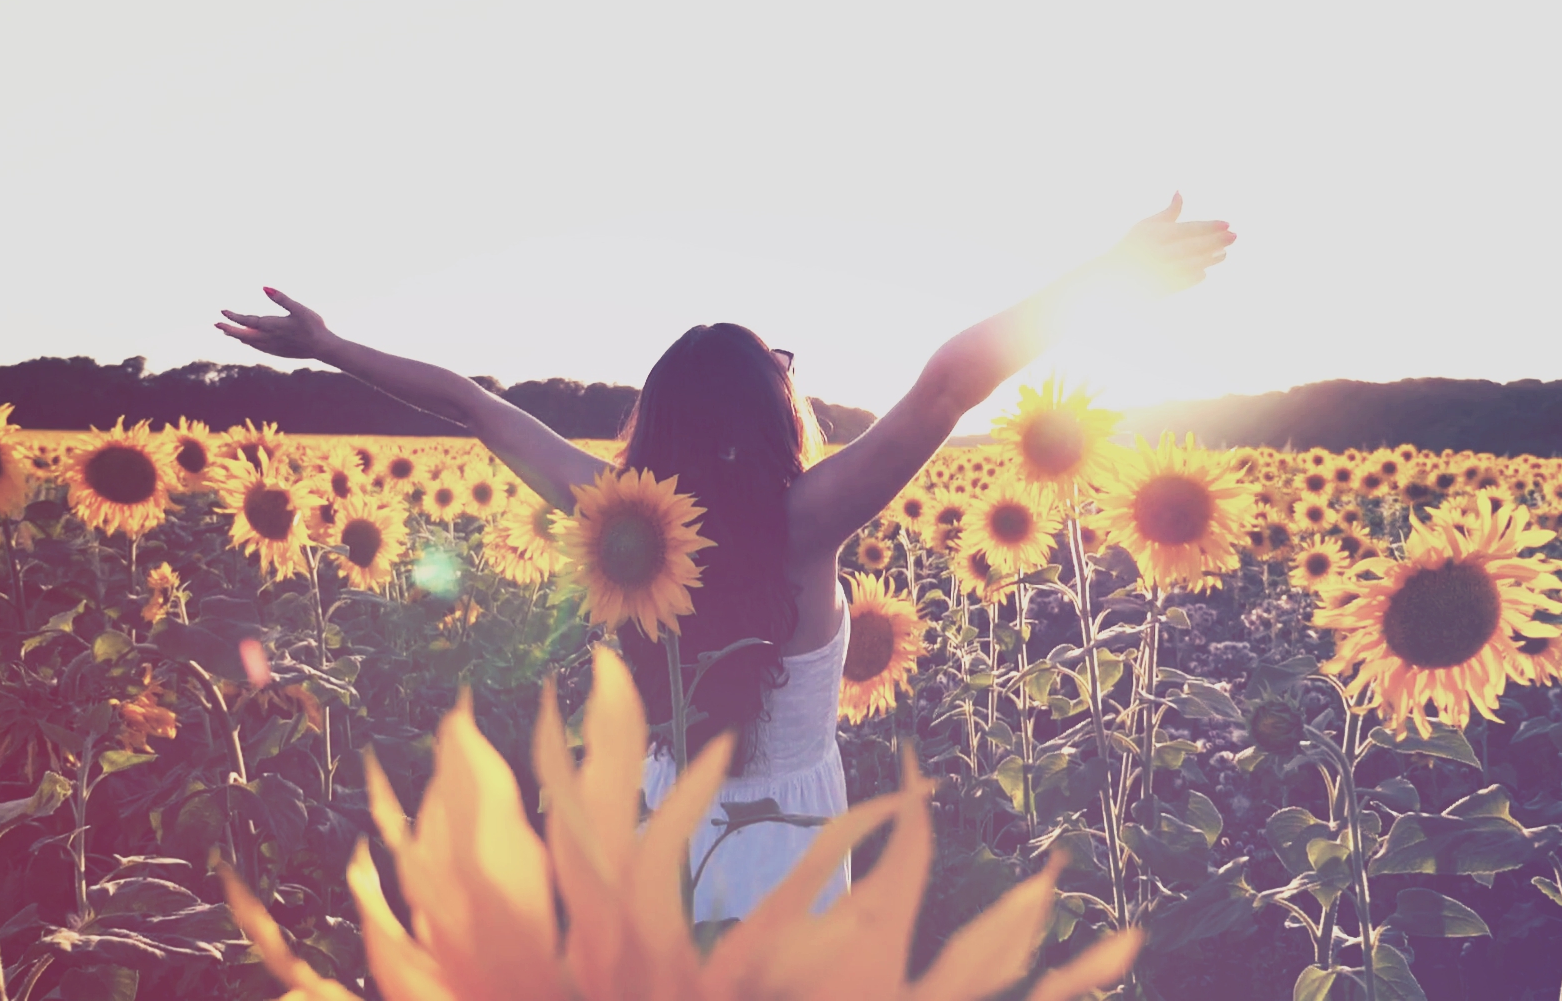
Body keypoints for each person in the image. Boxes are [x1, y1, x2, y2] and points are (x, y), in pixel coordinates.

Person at [216, 194, 1235, 921]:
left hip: (660, 822)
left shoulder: (613, 512)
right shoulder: (805, 522)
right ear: (770, 409)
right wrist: (1103, 278)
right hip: (792, 837)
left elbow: (473, 406)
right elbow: (943, 387)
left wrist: (330, 345)